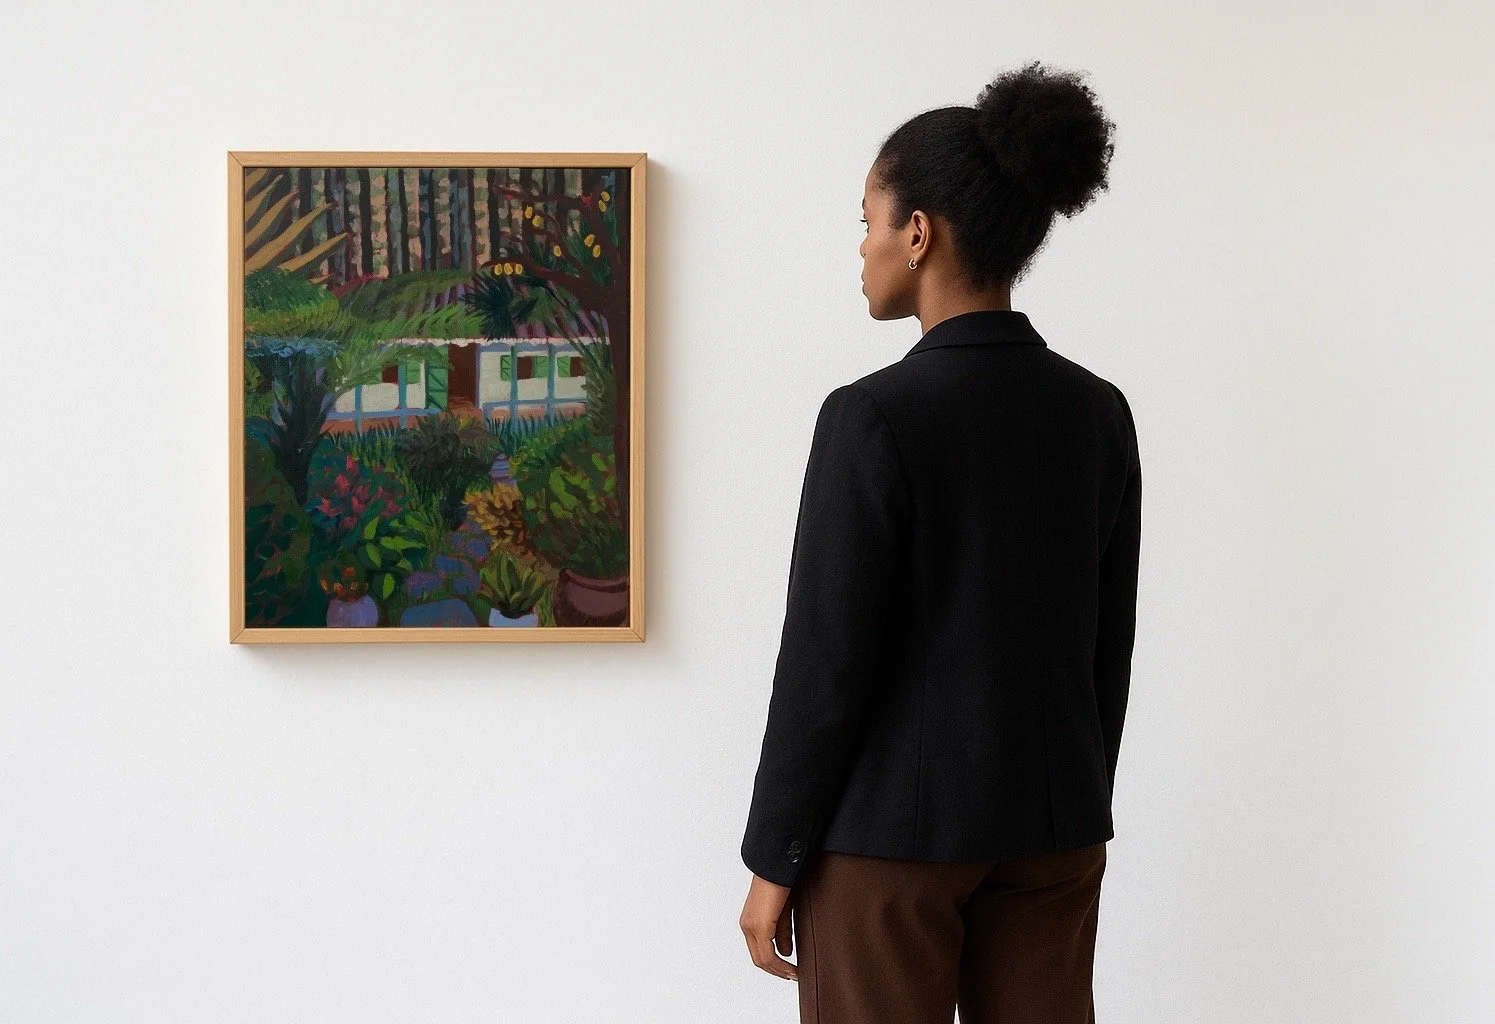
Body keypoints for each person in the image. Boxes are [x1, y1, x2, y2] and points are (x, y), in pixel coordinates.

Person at [737, 61, 1140, 1024]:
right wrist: (1073, 799)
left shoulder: (872, 415)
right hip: (1052, 830)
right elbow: (1105, 642)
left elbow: (826, 659)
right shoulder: (1096, 412)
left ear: (917, 234)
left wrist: (773, 857)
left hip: (889, 845)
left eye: (867, 222)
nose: (862, 247)